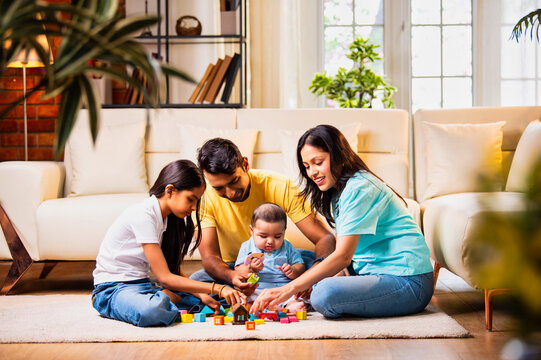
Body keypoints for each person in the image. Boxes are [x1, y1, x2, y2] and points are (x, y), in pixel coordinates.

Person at [250, 125, 434, 318]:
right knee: (307, 262)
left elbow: (343, 256)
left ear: (338, 155)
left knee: (324, 293)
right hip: (372, 271)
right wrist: (334, 273)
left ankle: (312, 294)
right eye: (307, 166)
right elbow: (346, 253)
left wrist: (287, 289)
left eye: (318, 162)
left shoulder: (359, 188)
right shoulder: (339, 191)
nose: (312, 172)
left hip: (409, 281)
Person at [92, 160, 245, 327]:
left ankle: (166, 298)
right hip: (113, 290)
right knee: (150, 311)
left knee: (213, 300)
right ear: (170, 191)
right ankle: (166, 298)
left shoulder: (168, 220)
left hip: (144, 286)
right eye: (191, 199)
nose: (194, 207)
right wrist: (218, 288)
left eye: (197, 202)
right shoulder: (143, 215)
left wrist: (202, 294)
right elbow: (165, 278)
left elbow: (174, 272)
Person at [189, 138, 336, 295]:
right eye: (219, 188)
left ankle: (293, 289)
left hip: (281, 266)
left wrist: (309, 277)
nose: (230, 193)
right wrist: (233, 276)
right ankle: (261, 294)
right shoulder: (203, 199)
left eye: (234, 181)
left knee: (312, 261)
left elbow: (325, 238)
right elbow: (210, 258)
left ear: (245, 165)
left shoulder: (279, 185)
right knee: (197, 281)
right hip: (234, 268)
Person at [235, 202, 306, 312]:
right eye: (263, 236)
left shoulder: (287, 246)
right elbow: (238, 269)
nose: (270, 241)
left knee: (294, 298)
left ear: (284, 232)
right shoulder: (247, 246)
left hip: (283, 289)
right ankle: (265, 307)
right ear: (252, 231)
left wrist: (293, 270)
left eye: (277, 236)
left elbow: (300, 265)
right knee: (244, 300)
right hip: (257, 289)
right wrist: (251, 269)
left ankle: (287, 306)